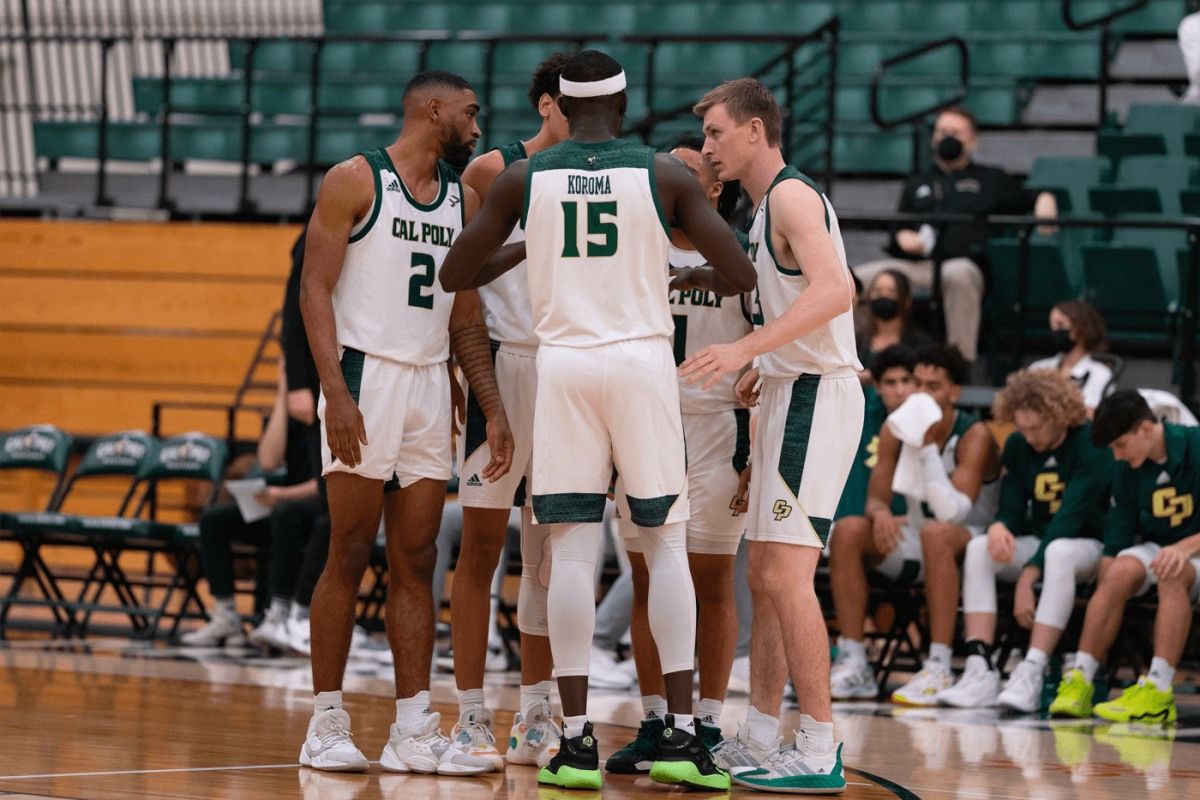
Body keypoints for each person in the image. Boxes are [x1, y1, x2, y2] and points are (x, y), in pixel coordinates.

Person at [440, 50, 755, 792]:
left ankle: (573, 744)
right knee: (664, 546)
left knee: (573, 554)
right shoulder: (665, 172)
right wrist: (689, 273)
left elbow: (457, 274)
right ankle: (681, 735)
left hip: (565, 368)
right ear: (620, 102)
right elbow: (740, 273)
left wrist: (529, 245)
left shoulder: (523, 177)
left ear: (563, 105)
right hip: (641, 365)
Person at [298, 70, 514, 775]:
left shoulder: (467, 198)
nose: (477, 129)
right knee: (350, 549)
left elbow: (468, 314)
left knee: (417, 559)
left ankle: (412, 728)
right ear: (433, 109)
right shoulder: (355, 180)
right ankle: (326, 720)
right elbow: (314, 288)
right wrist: (335, 390)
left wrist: (489, 403)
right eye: (470, 114)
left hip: (429, 385)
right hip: (366, 375)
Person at [683, 77, 864, 795]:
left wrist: (750, 349)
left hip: (818, 395)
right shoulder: (759, 213)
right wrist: (771, 360)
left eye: (717, 134)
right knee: (762, 576)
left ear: (756, 131)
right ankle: (759, 732)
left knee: (788, 577)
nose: (708, 149)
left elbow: (836, 289)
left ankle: (819, 744)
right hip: (790, 392)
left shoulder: (790, 196)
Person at [604, 134, 753, 775]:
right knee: (645, 580)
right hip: (644, 424)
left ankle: (711, 723)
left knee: (711, 579)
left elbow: (776, 335)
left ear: (714, 187)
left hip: (719, 426)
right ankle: (658, 718)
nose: (668, 180)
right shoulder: (635, 249)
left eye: (685, 171)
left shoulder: (741, 255)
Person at [448, 51, 571, 773]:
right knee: (481, 550)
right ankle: (469, 716)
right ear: (547, 104)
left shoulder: (597, 175)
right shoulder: (490, 172)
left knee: (551, 555)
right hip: (502, 365)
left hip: (566, 371)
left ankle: (535, 711)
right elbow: (464, 274)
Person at [936, 369, 1114, 711]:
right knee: (979, 547)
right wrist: (1001, 525)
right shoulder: (1018, 445)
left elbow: (1071, 517)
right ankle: (980, 668)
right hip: (1041, 540)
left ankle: (1031, 668)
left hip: (1089, 545)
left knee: (1060, 551)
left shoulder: (1091, 443)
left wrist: (1028, 576)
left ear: (1059, 415)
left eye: (1036, 428)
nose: (1029, 436)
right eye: (1022, 427)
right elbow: (1012, 507)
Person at [853, 106, 1058, 363]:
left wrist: (1045, 198)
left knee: (959, 275)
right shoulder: (919, 181)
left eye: (955, 132)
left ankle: (957, 366)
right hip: (915, 266)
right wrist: (902, 237)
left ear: (972, 140)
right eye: (942, 131)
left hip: (960, 265)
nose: (947, 137)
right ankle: (843, 357)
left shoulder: (990, 179)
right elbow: (897, 229)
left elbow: (1029, 196)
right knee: (855, 280)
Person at [1049, 389, 1200, 724]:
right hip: (1162, 549)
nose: (1116, 456)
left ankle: (1158, 692)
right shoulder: (1128, 466)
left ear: (1146, 429)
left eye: (1120, 445)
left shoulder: (1196, 445)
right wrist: (1107, 590)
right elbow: (1118, 531)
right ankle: (1082, 679)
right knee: (1118, 570)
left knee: (1171, 569)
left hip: (1193, 550)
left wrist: (1185, 548)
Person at [870, 343, 1002, 706]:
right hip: (923, 533)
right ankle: (854, 661)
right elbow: (876, 498)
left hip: (976, 536)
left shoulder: (975, 434)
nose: (922, 394)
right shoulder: (895, 428)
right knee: (851, 532)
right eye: (919, 384)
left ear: (954, 392)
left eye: (934, 386)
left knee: (937, 533)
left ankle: (939, 663)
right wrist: (880, 513)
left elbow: (953, 513)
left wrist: (927, 448)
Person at [180, 364, 321, 648]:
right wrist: (283, 398)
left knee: (285, 515)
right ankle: (226, 617)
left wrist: (283, 495)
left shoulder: (331, 409)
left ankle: (279, 615)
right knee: (215, 520)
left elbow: (328, 482)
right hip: (287, 506)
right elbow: (268, 460)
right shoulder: (294, 409)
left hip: (322, 510)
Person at [827, 344, 915, 700]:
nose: (899, 390)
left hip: (921, 531)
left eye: (907, 381)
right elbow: (835, 381)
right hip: (872, 531)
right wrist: (870, 376)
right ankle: (853, 657)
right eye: (890, 382)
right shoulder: (864, 408)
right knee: (845, 532)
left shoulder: (935, 419)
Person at [1028, 300, 1114, 412]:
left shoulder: (1099, 373)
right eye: (1051, 325)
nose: (1054, 330)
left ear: (1081, 328)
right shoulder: (1037, 368)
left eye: (1060, 324)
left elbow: (1090, 413)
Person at [855, 269, 930, 380]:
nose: (883, 296)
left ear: (906, 301)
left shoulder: (921, 345)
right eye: (877, 291)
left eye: (891, 292)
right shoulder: (858, 341)